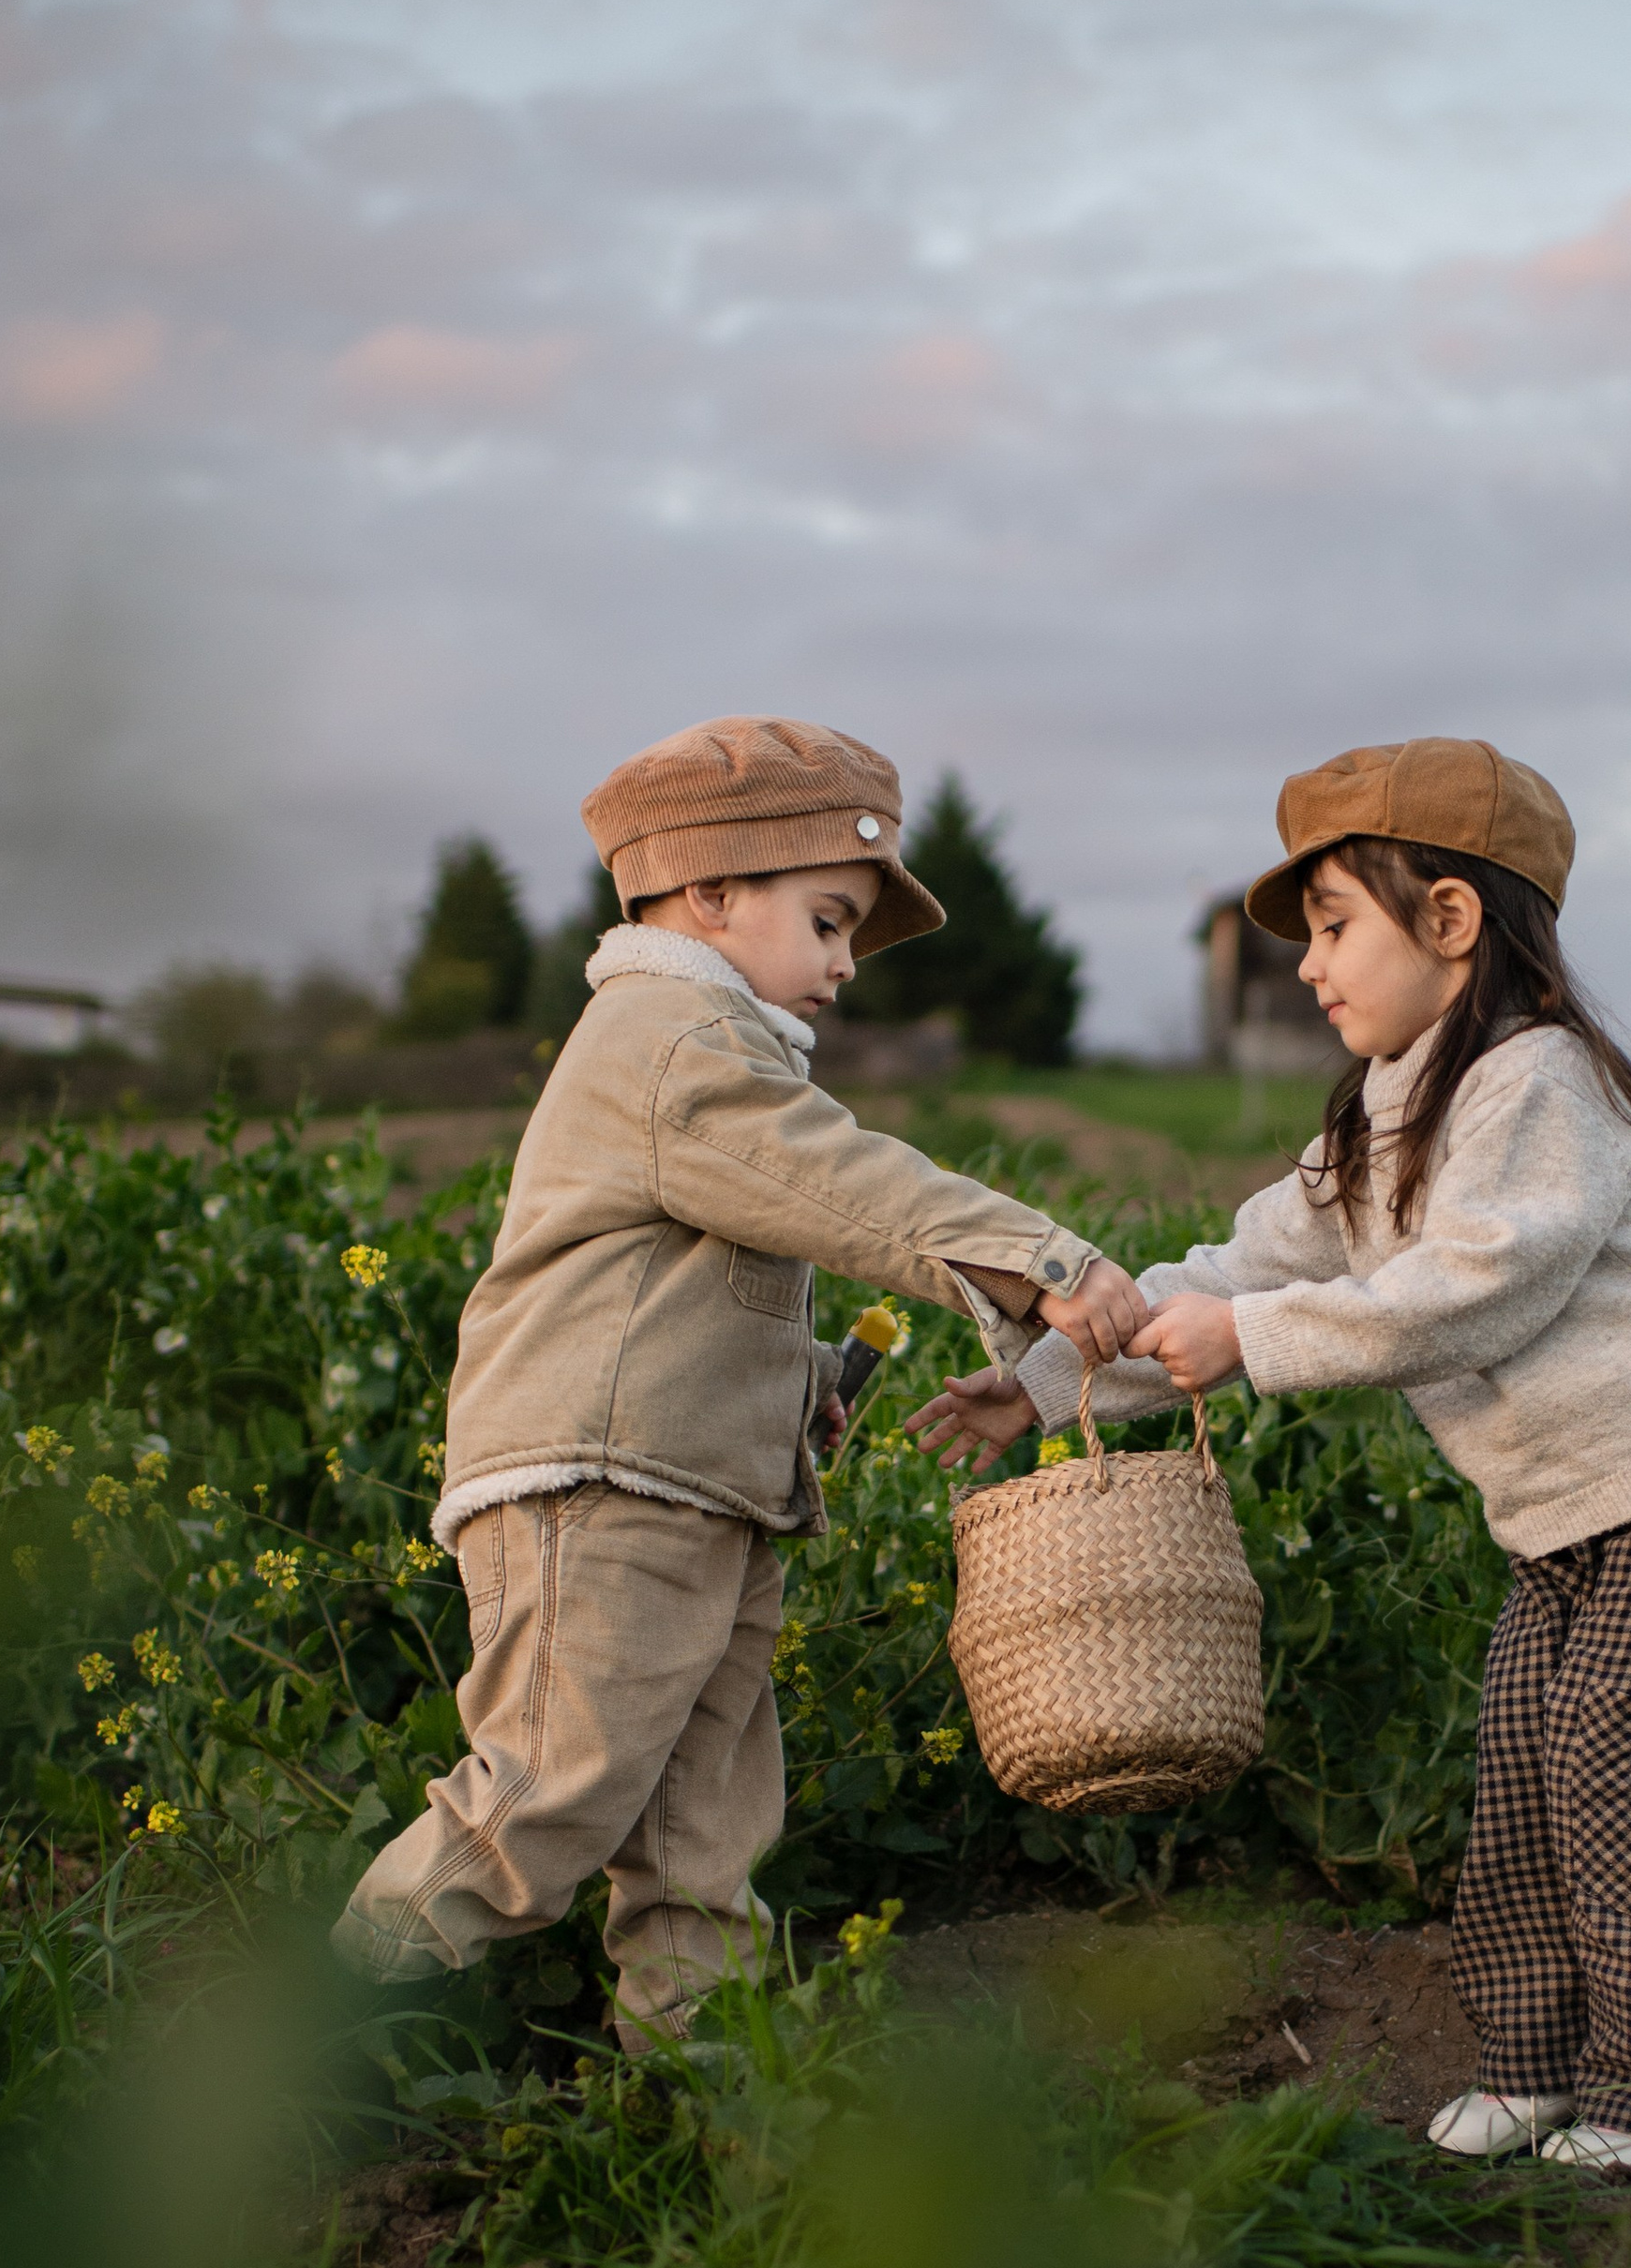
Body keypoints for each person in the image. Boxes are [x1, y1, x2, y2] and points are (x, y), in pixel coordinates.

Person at [910, 738, 1631, 2176]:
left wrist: (1258, 1340)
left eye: (1336, 924)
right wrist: (1042, 1384)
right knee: (1527, 1772)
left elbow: (1481, 1286)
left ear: (1454, 923)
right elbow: (1225, 1270)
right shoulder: (1379, 1116)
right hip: (1570, 1509)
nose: (1306, 965)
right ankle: (1536, 2067)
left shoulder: (1539, 1082)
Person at [336, 713, 1145, 2041]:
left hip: (692, 1492)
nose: (843, 965)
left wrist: (800, 1378)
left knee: (699, 1832)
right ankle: (299, 2051)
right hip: (604, 1495)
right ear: (708, 892)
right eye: (828, 921)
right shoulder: (668, 1036)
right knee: (541, 1800)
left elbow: (695, 1280)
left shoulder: (707, 1046)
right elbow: (831, 1178)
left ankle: (704, 2085)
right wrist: (1032, 1258)